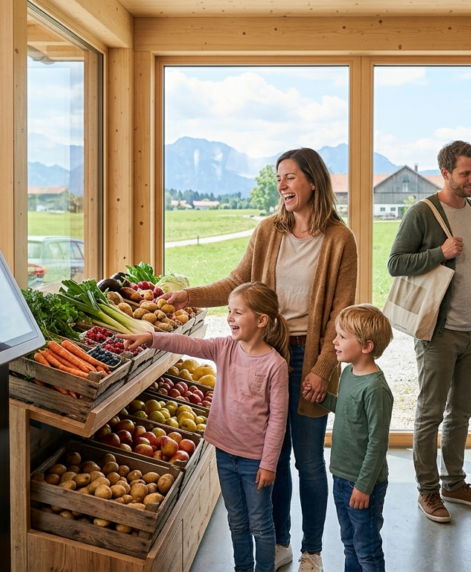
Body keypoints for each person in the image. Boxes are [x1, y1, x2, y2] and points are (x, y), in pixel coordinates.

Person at [160, 148, 357, 572]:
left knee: (307, 460)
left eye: (289, 177)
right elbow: (238, 283)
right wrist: (189, 297)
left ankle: (312, 551)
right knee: (274, 455)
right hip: (273, 352)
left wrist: (324, 369)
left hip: (311, 358)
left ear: (313, 182)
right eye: (279, 178)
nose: (282, 185)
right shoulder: (268, 231)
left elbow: (341, 314)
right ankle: (281, 541)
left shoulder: (341, 239)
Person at [120, 282, 289, 572]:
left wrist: (269, 464)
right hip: (224, 453)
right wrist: (151, 337)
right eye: (229, 311)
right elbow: (188, 344)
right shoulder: (225, 348)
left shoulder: (275, 365)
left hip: (255, 461)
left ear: (261, 321)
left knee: (260, 524)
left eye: (238, 312)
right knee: (236, 521)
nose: (230, 318)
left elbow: (278, 420)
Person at [387, 140, 471, 524]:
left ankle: (454, 483)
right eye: (465, 173)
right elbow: (395, 263)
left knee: (461, 413)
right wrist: (440, 253)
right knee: (430, 413)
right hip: (437, 331)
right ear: (445, 173)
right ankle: (428, 492)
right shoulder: (423, 213)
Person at [312, 304, 394, 572]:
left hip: (363, 484)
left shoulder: (376, 389)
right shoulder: (348, 373)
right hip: (341, 476)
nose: (335, 342)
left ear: (366, 346)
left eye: (342, 337)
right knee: (349, 543)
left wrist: (364, 486)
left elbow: (377, 443)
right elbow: (348, 410)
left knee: (367, 551)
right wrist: (324, 399)